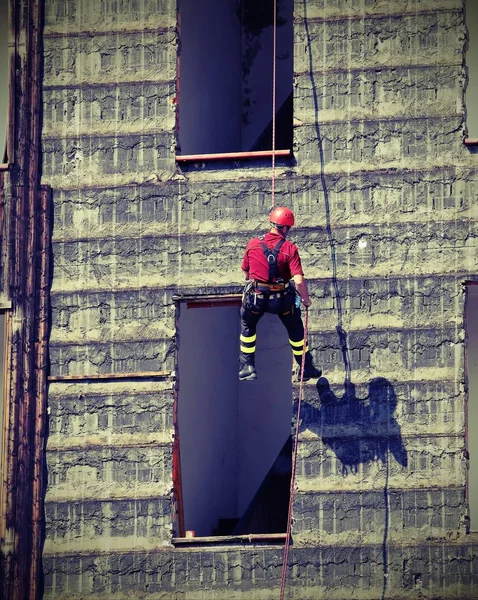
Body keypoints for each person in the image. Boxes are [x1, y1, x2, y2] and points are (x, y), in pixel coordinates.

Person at [239, 206, 322, 381]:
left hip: (256, 298)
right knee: (295, 331)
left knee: (248, 326)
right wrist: (306, 300)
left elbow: (246, 274)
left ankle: (248, 367)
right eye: (288, 229)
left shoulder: (253, 244)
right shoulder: (290, 249)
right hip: (282, 300)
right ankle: (306, 367)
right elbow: (298, 281)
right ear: (284, 228)